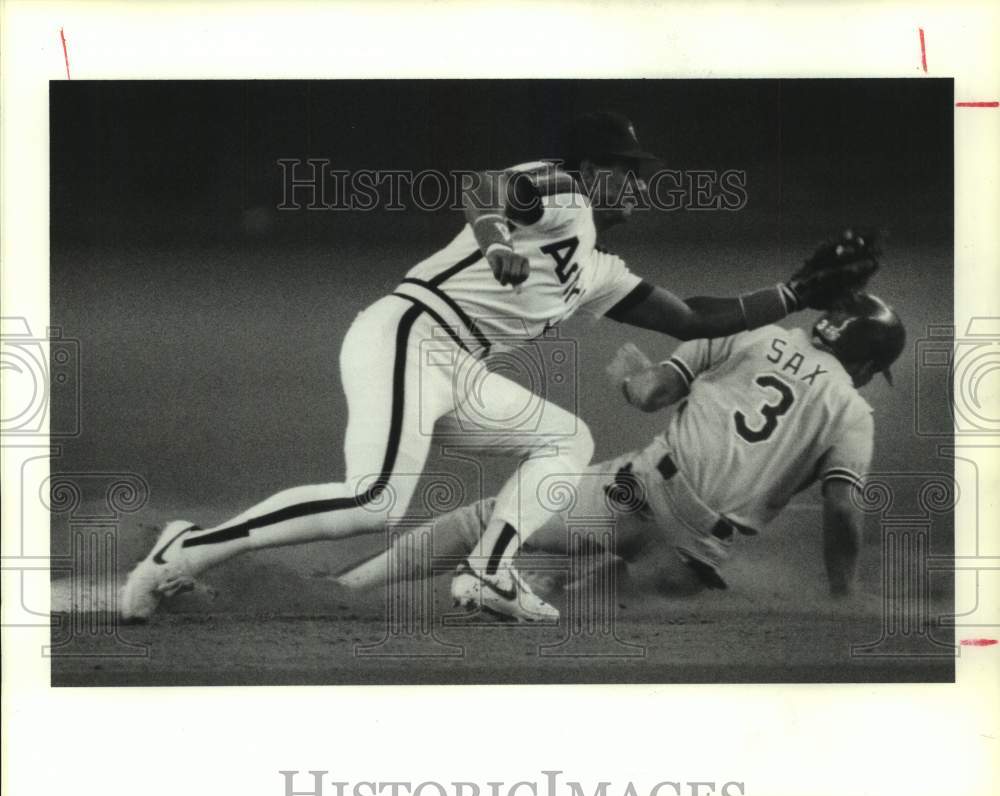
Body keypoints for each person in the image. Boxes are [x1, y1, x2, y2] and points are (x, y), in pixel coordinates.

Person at [120, 111, 876, 623]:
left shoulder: (601, 266)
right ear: (591, 166)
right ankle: (186, 547)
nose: (638, 183)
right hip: (411, 334)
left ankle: (488, 571)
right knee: (375, 500)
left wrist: (793, 292)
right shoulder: (562, 188)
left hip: (456, 364)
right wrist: (497, 240)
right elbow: (485, 188)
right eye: (627, 168)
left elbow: (692, 318)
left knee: (566, 439)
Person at [337, 293, 905, 600]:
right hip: (691, 553)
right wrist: (841, 591)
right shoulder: (853, 413)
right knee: (608, 603)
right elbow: (841, 507)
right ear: (865, 360)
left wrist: (634, 375)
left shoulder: (753, 333)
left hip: (635, 492)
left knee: (486, 521)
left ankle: (349, 588)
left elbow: (650, 394)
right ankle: (568, 583)